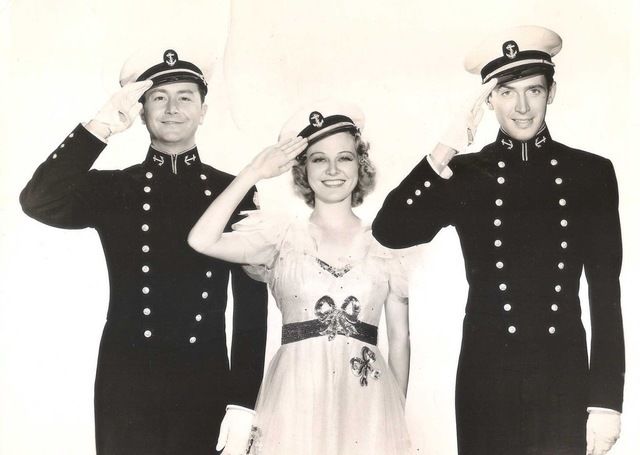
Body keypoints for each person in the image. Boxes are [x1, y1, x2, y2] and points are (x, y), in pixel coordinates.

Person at [372, 26, 624, 455]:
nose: (521, 108)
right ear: (489, 99)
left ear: (552, 92)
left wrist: (605, 402)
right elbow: (390, 230)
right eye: (506, 92)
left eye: (533, 90)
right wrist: (446, 147)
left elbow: (606, 294)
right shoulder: (465, 174)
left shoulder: (590, 174)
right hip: (486, 381)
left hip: (563, 380)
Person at [19, 47, 268, 455]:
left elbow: (251, 308)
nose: (172, 109)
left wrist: (243, 401)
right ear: (141, 111)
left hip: (205, 381)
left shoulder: (233, 191)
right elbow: (37, 201)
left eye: (185, 97)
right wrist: (100, 126)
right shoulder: (115, 188)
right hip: (127, 381)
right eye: (158, 97)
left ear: (203, 111)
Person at [188, 101, 412, 454]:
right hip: (295, 398)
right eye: (319, 159)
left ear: (360, 163)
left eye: (345, 157)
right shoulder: (280, 238)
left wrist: (393, 419)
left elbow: (399, 339)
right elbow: (202, 240)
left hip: (366, 399)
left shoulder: (386, 244)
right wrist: (253, 172)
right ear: (303, 169)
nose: (333, 169)